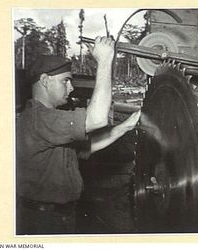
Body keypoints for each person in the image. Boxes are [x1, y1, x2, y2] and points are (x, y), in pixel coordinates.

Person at [16, 36, 141, 235]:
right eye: (65, 81)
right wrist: (106, 60)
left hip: (60, 217)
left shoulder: (50, 120)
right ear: (45, 81)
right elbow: (97, 119)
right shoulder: (38, 118)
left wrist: (126, 126)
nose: (71, 87)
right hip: (43, 222)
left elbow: (87, 147)